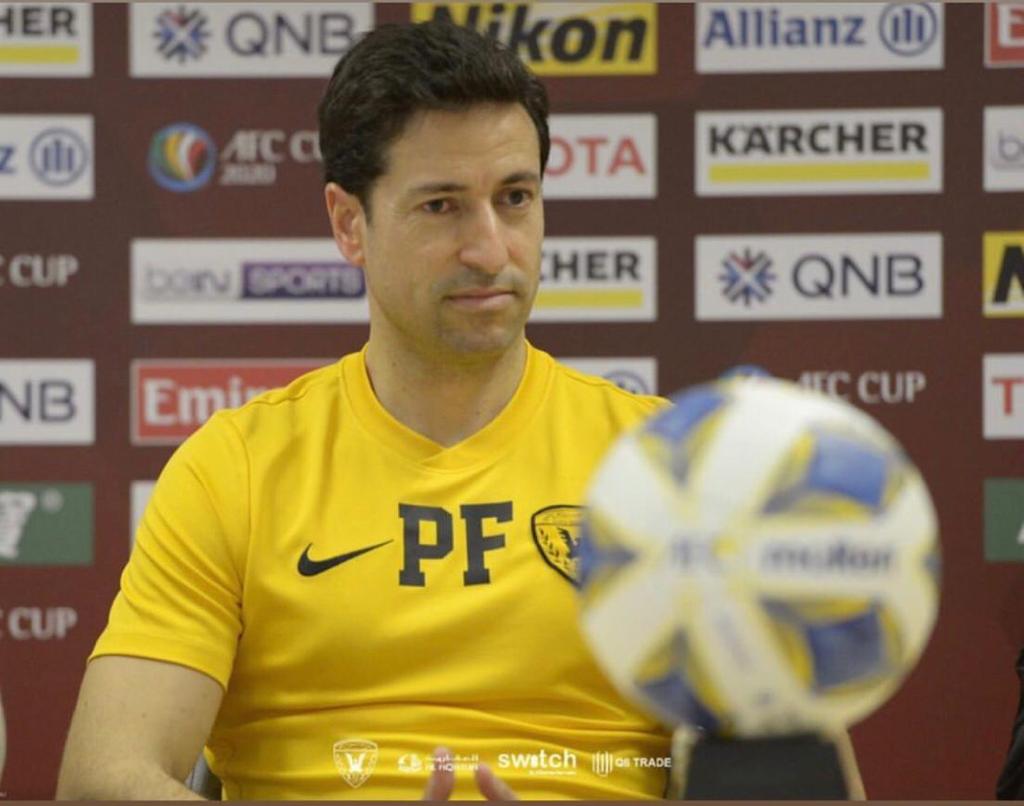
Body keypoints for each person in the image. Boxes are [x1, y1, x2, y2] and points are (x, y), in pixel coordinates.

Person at [56, 20, 673, 801]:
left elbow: (787, 768)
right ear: (350, 224)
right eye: (442, 206)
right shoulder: (237, 469)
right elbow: (101, 780)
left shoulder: (665, 462)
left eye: (514, 198)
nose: (491, 249)